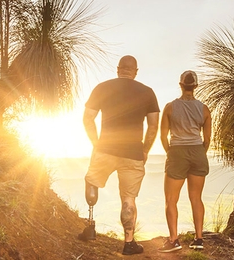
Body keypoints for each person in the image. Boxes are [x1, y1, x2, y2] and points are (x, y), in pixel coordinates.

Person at [82, 55, 160, 255]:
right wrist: (145, 150)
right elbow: (153, 127)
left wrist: (96, 143)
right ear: (135, 71)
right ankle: (129, 243)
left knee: (92, 180)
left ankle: (90, 227)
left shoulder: (102, 87)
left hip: (105, 149)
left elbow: (87, 118)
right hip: (133, 153)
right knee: (128, 198)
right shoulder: (147, 92)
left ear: (118, 69)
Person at [157, 70, 212, 253]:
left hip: (177, 151)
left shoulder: (170, 107)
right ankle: (198, 239)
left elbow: (163, 136)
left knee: (171, 199)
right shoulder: (204, 109)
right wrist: (198, 152)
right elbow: (207, 139)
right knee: (196, 198)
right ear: (195, 86)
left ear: (180, 85)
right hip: (197, 151)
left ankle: (174, 241)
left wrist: (170, 153)